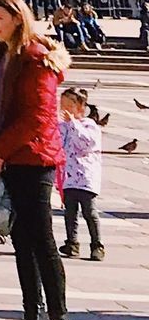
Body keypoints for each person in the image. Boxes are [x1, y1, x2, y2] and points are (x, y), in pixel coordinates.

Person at [0, 0, 72, 320]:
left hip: (34, 159)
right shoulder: (3, 55)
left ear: (17, 18)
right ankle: (34, 317)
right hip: (10, 158)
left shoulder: (35, 59)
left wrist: (0, 149)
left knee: (41, 240)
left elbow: (38, 117)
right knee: (22, 241)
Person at [59, 85, 105, 260]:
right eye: (62, 106)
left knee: (89, 212)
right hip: (69, 178)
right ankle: (72, 242)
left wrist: (74, 125)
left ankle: (97, 244)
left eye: (69, 107)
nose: (65, 111)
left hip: (86, 177)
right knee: (70, 212)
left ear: (81, 108)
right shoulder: (62, 126)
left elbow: (86, 143)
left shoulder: (89, 125)